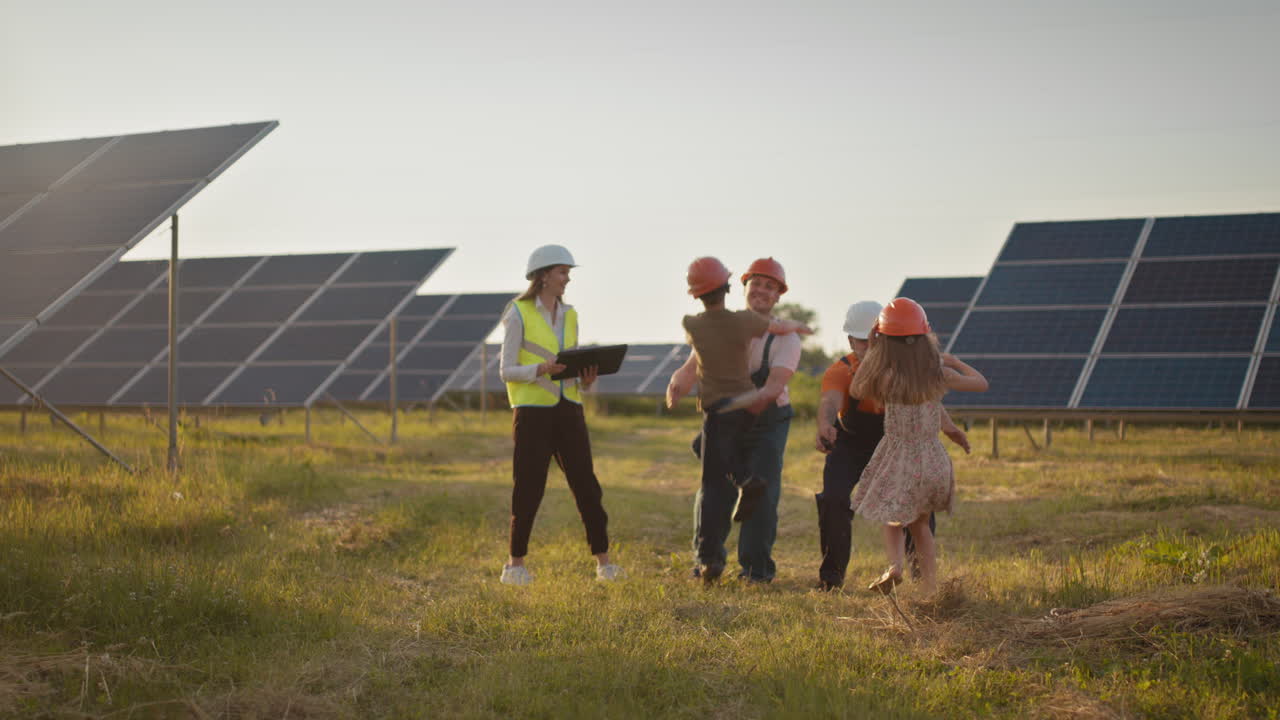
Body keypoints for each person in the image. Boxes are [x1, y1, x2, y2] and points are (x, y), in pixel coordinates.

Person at [666, 256, 810, 583]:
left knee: (761, 489)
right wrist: (677, 384)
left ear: (778, 296)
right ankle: (708, 562)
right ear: (743, 287)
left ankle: (756, 571)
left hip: (767, 418)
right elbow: (691, 367)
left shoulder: (785, 338)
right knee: (714, 488)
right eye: (756, 283)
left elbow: (773, 387)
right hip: (730, 414)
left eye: (769, 286)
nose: (761, 290)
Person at [814, 301, 970, 591]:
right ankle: (831, 579)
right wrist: (825, 424)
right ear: (851, 341)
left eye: (879, 342)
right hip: (851, 444)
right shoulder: (842, 370)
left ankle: (922, 579)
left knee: (917, 503)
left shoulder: (908, 370)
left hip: (897, 444)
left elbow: (928, 402)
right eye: (864, 342)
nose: (872, 349)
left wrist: (949, 429)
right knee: (834, 499)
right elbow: (830, 400)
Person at [498, 244, 622, 586]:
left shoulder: (571, 315)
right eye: (563, 273)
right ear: (543, 275)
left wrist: (585, 379)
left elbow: (570, 363)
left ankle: (604, 564)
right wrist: (541, 369)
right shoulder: (518, 312)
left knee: (587, 487)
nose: (568, 279)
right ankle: (515, 566)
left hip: (570, 411)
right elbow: (506, 371)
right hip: (531, 413)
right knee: (528, 489)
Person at [850, 298, 987, 595]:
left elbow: (856, 388)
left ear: (884, 340)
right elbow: (980, 384)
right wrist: (953, 362)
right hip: (932, 460)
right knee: (921, 525)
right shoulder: (936, 374)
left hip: (899, 459)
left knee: (892, 517)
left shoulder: (884, 375)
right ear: (924, 337)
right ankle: (930, 587)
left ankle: (896, 567)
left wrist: (872, 351)